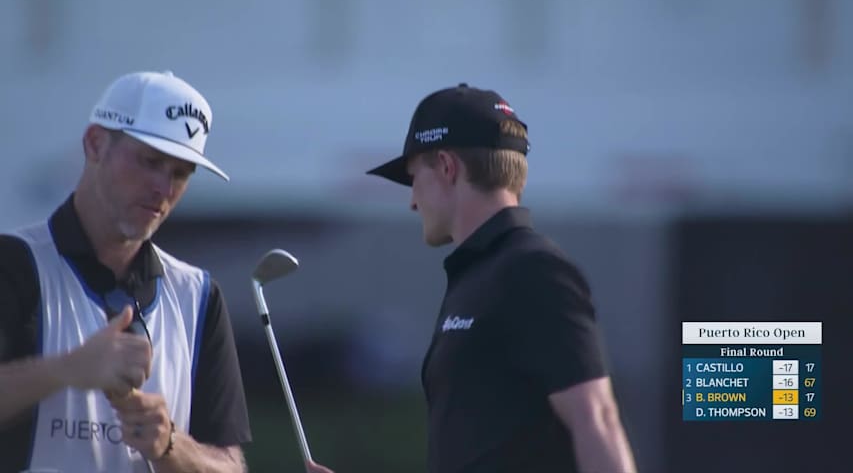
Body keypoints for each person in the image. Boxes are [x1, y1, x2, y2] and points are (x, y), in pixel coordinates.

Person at [0, 71, 334, 473]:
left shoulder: (198, 295)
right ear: (95, 144)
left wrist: (169, 445)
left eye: (181, 172)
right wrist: (68, 368)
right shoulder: (16, 264)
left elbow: (230, 466)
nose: (163, 187)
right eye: (150, 161)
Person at [366, 84, 638, 473]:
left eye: (414, 180)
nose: (412, 201)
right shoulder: (481, 275)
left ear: (446, 166)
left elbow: (598, 420)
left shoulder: (533, 271)